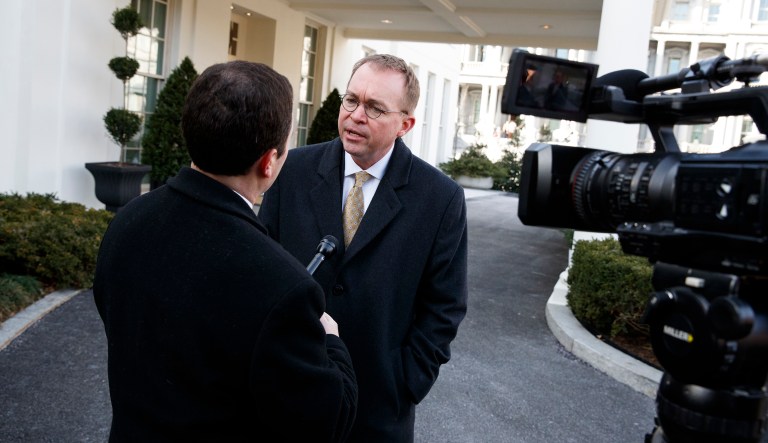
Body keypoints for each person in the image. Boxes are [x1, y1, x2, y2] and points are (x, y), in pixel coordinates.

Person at [93, 61, 357, 442]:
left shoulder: (128, 221)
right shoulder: (283, 287)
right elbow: (328, 419)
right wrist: (331, 340)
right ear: (269, 161)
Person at [259, 54, 468, 442]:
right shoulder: (293, 170)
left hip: (379, 412)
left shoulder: (440, 199)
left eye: (374, 108)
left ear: (405, 124)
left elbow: (445, 306)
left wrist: (404, 384)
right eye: (351, 100)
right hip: (286, 393)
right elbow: (261, 266)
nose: (356, 115)